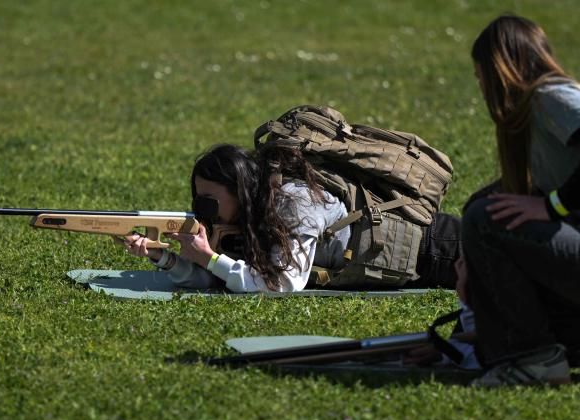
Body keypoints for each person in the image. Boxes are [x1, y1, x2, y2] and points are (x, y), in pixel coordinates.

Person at [122, 143, 461, 293]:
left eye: (208, 203)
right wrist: (163, 258)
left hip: (439, 251)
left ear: (240, 190)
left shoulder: (294, 203)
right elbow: (215, 282)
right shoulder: (250, 212)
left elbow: (281, 283)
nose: (202, 213)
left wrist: (209, 259)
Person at [461, 15, 580, 387]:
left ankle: (533, 359)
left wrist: (552, 206)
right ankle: (531, 353)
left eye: (481, 76)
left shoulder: (551, 96)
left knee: (486, 217)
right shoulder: (541, 113)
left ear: (499, 70)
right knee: (484, 205)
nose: (480, 87)